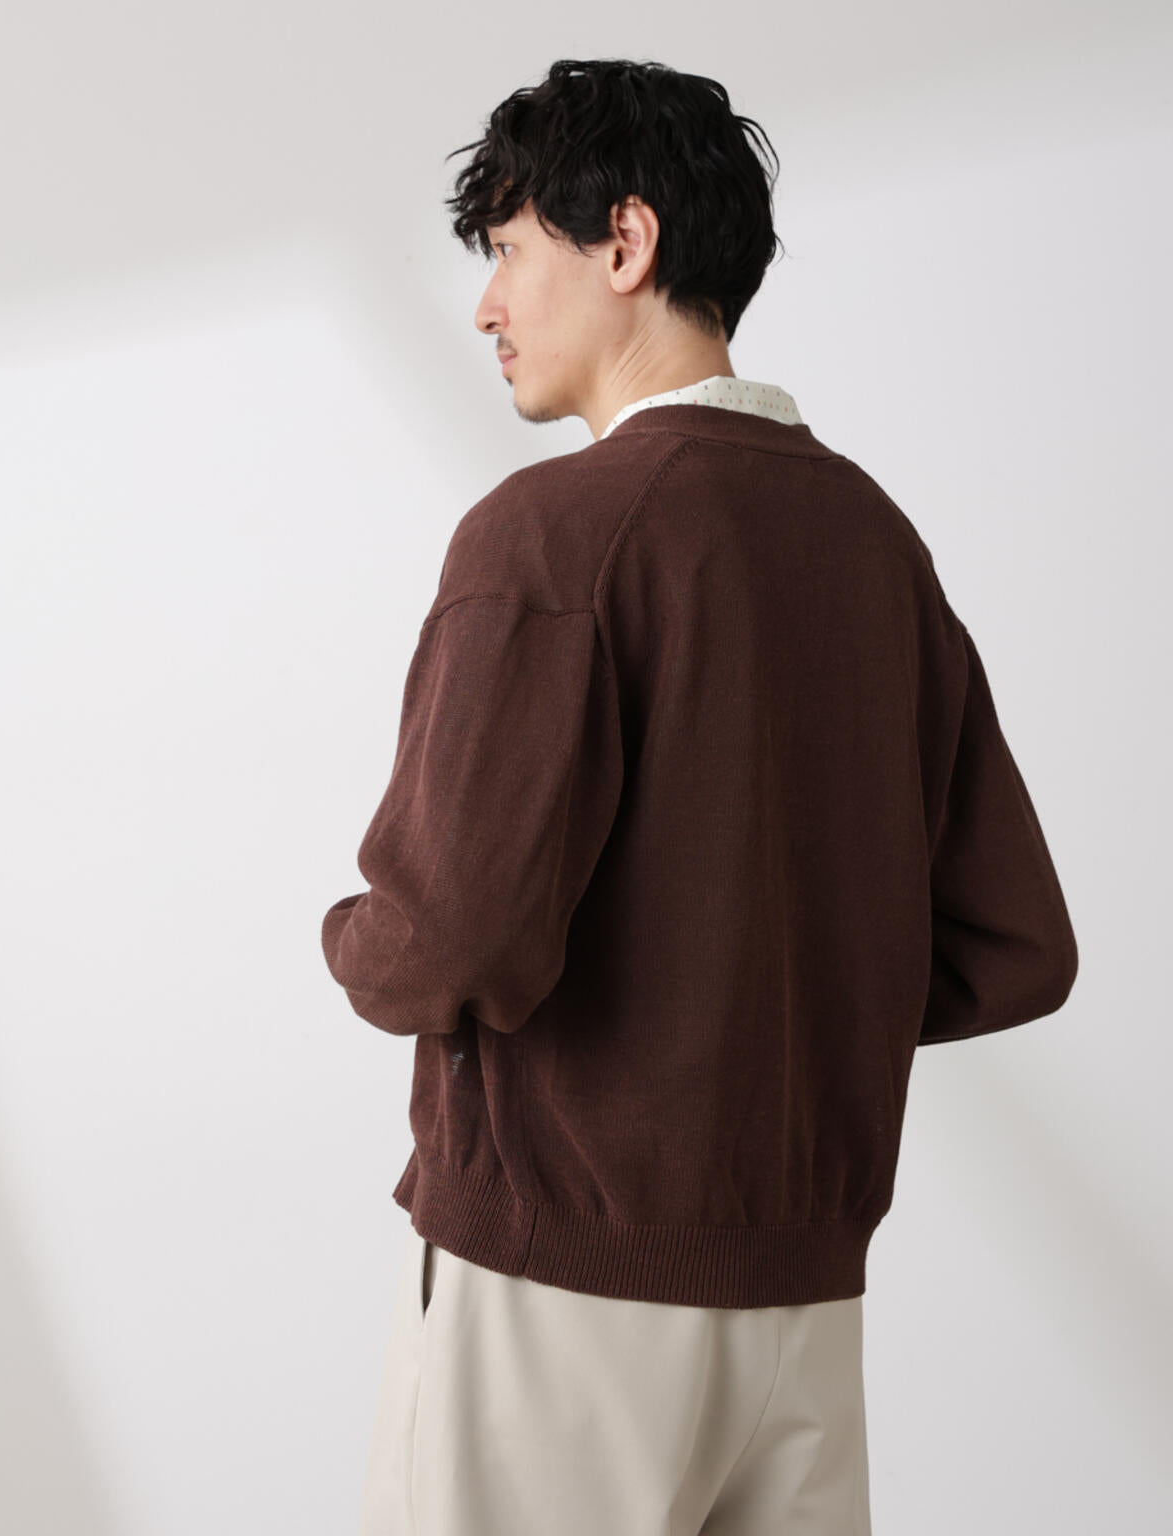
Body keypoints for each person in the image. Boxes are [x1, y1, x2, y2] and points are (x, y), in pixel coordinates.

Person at [322, 56, 1078, 1536]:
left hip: (559, 1291)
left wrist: (350, 938)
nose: (484, 306)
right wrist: (764, 1014)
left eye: (509, 250)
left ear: (626, 240)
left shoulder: (553, 535)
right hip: (803, 1309)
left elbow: (451, 938)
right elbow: (1013, 947)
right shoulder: (872, 544)